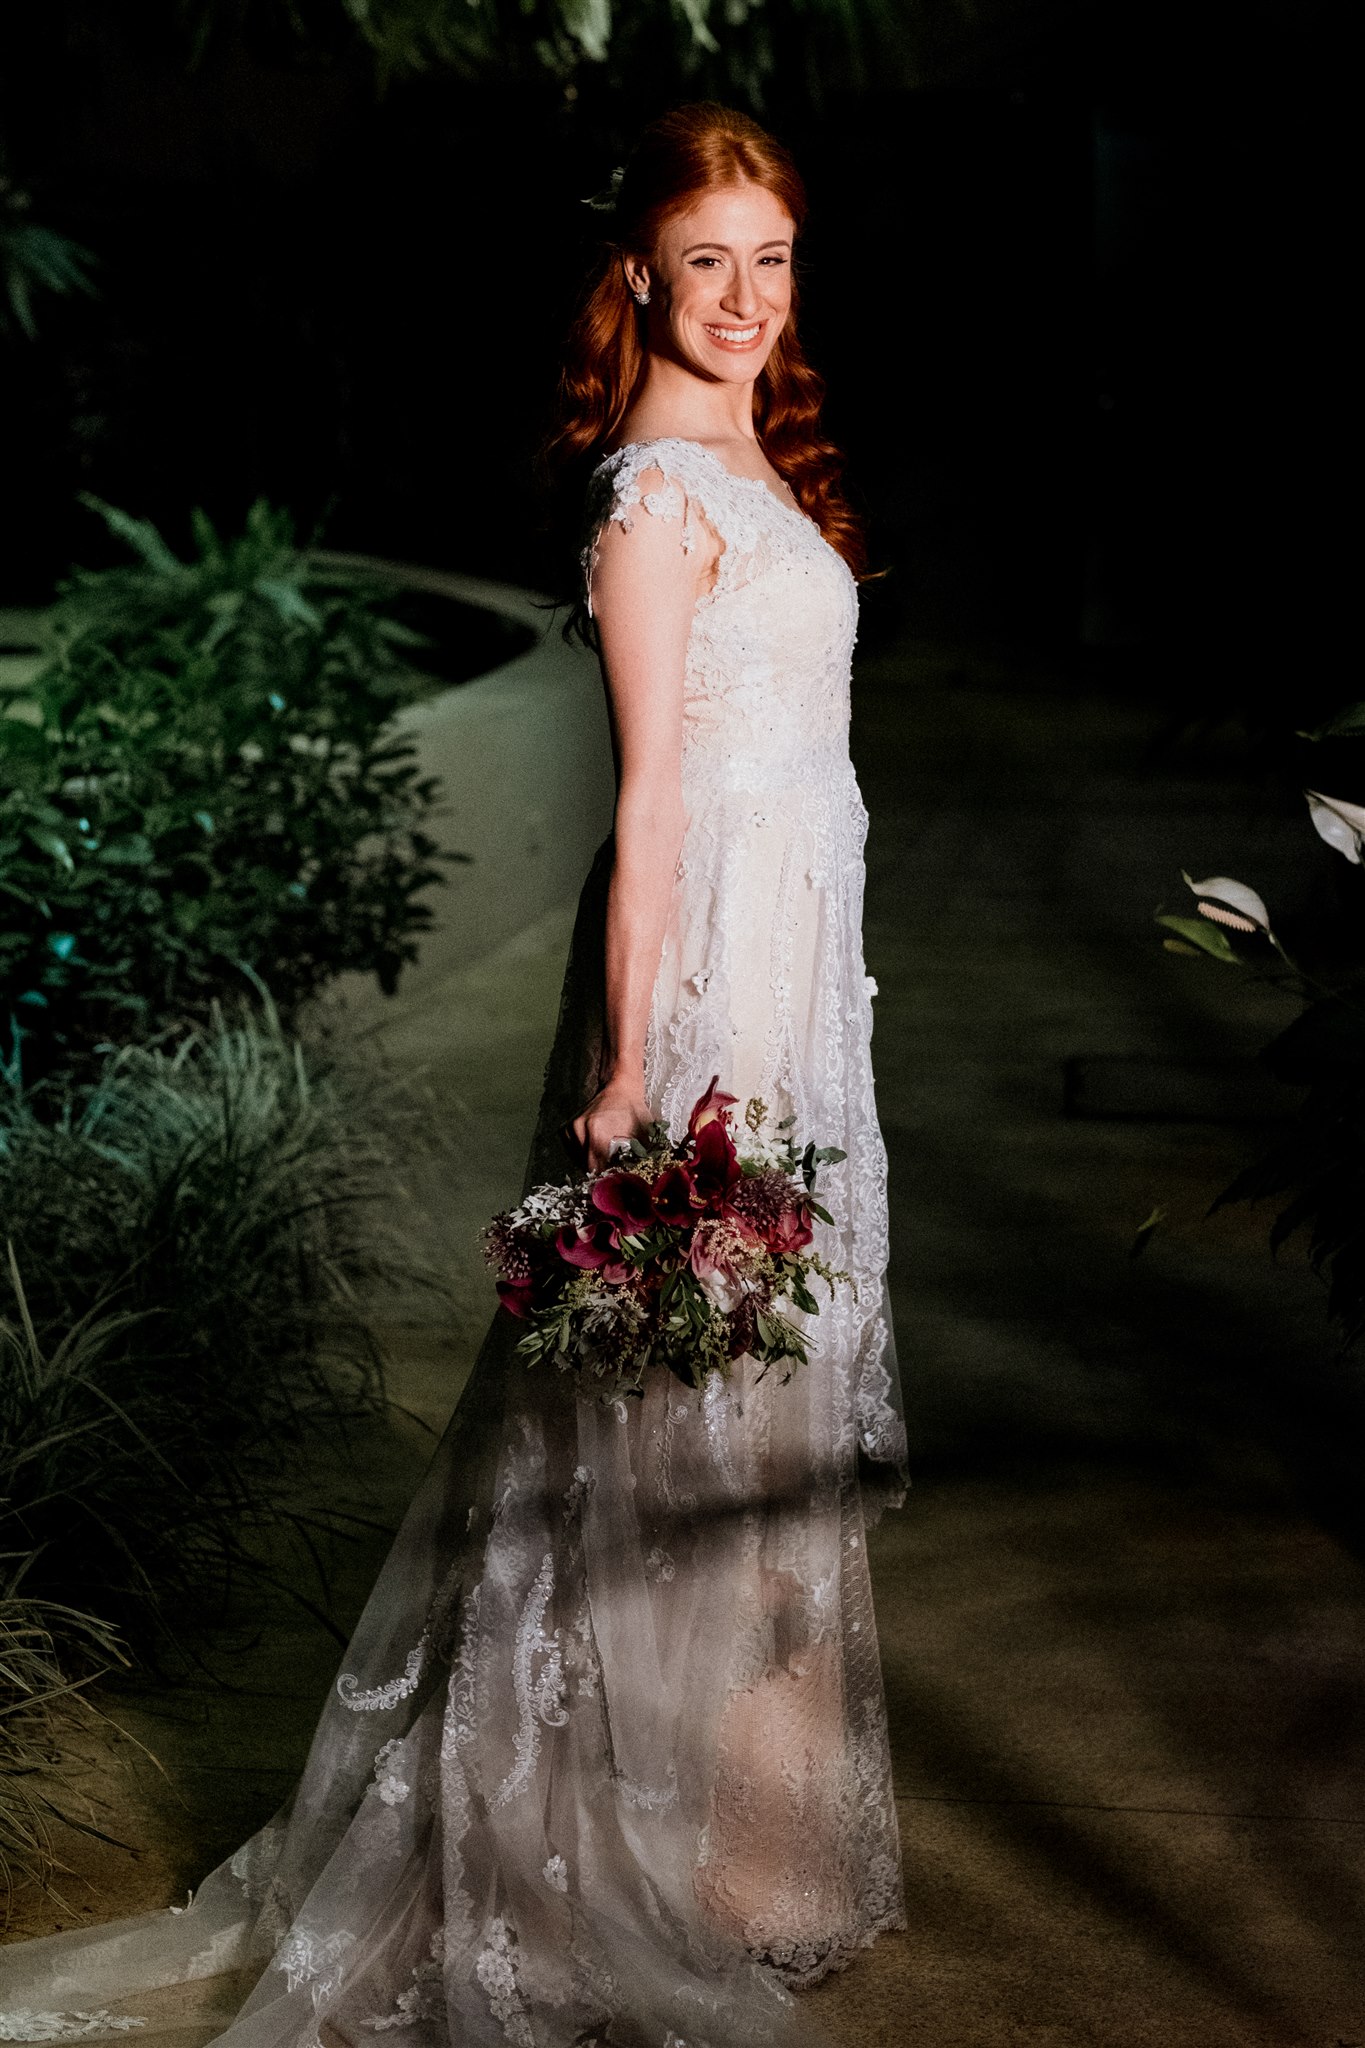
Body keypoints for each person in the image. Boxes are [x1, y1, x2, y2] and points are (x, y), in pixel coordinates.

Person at [0, 101, 907, 2048]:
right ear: (638, 275)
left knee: (770, 1399)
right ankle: (589, 1846)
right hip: (702, 987)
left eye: (769, 261)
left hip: (797, 975)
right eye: (705, 264)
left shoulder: (755, 445)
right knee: (654, 1411)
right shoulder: (646, 497)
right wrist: (634, 1068)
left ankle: (741, 1849)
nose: (742, 300)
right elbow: (650, 806)